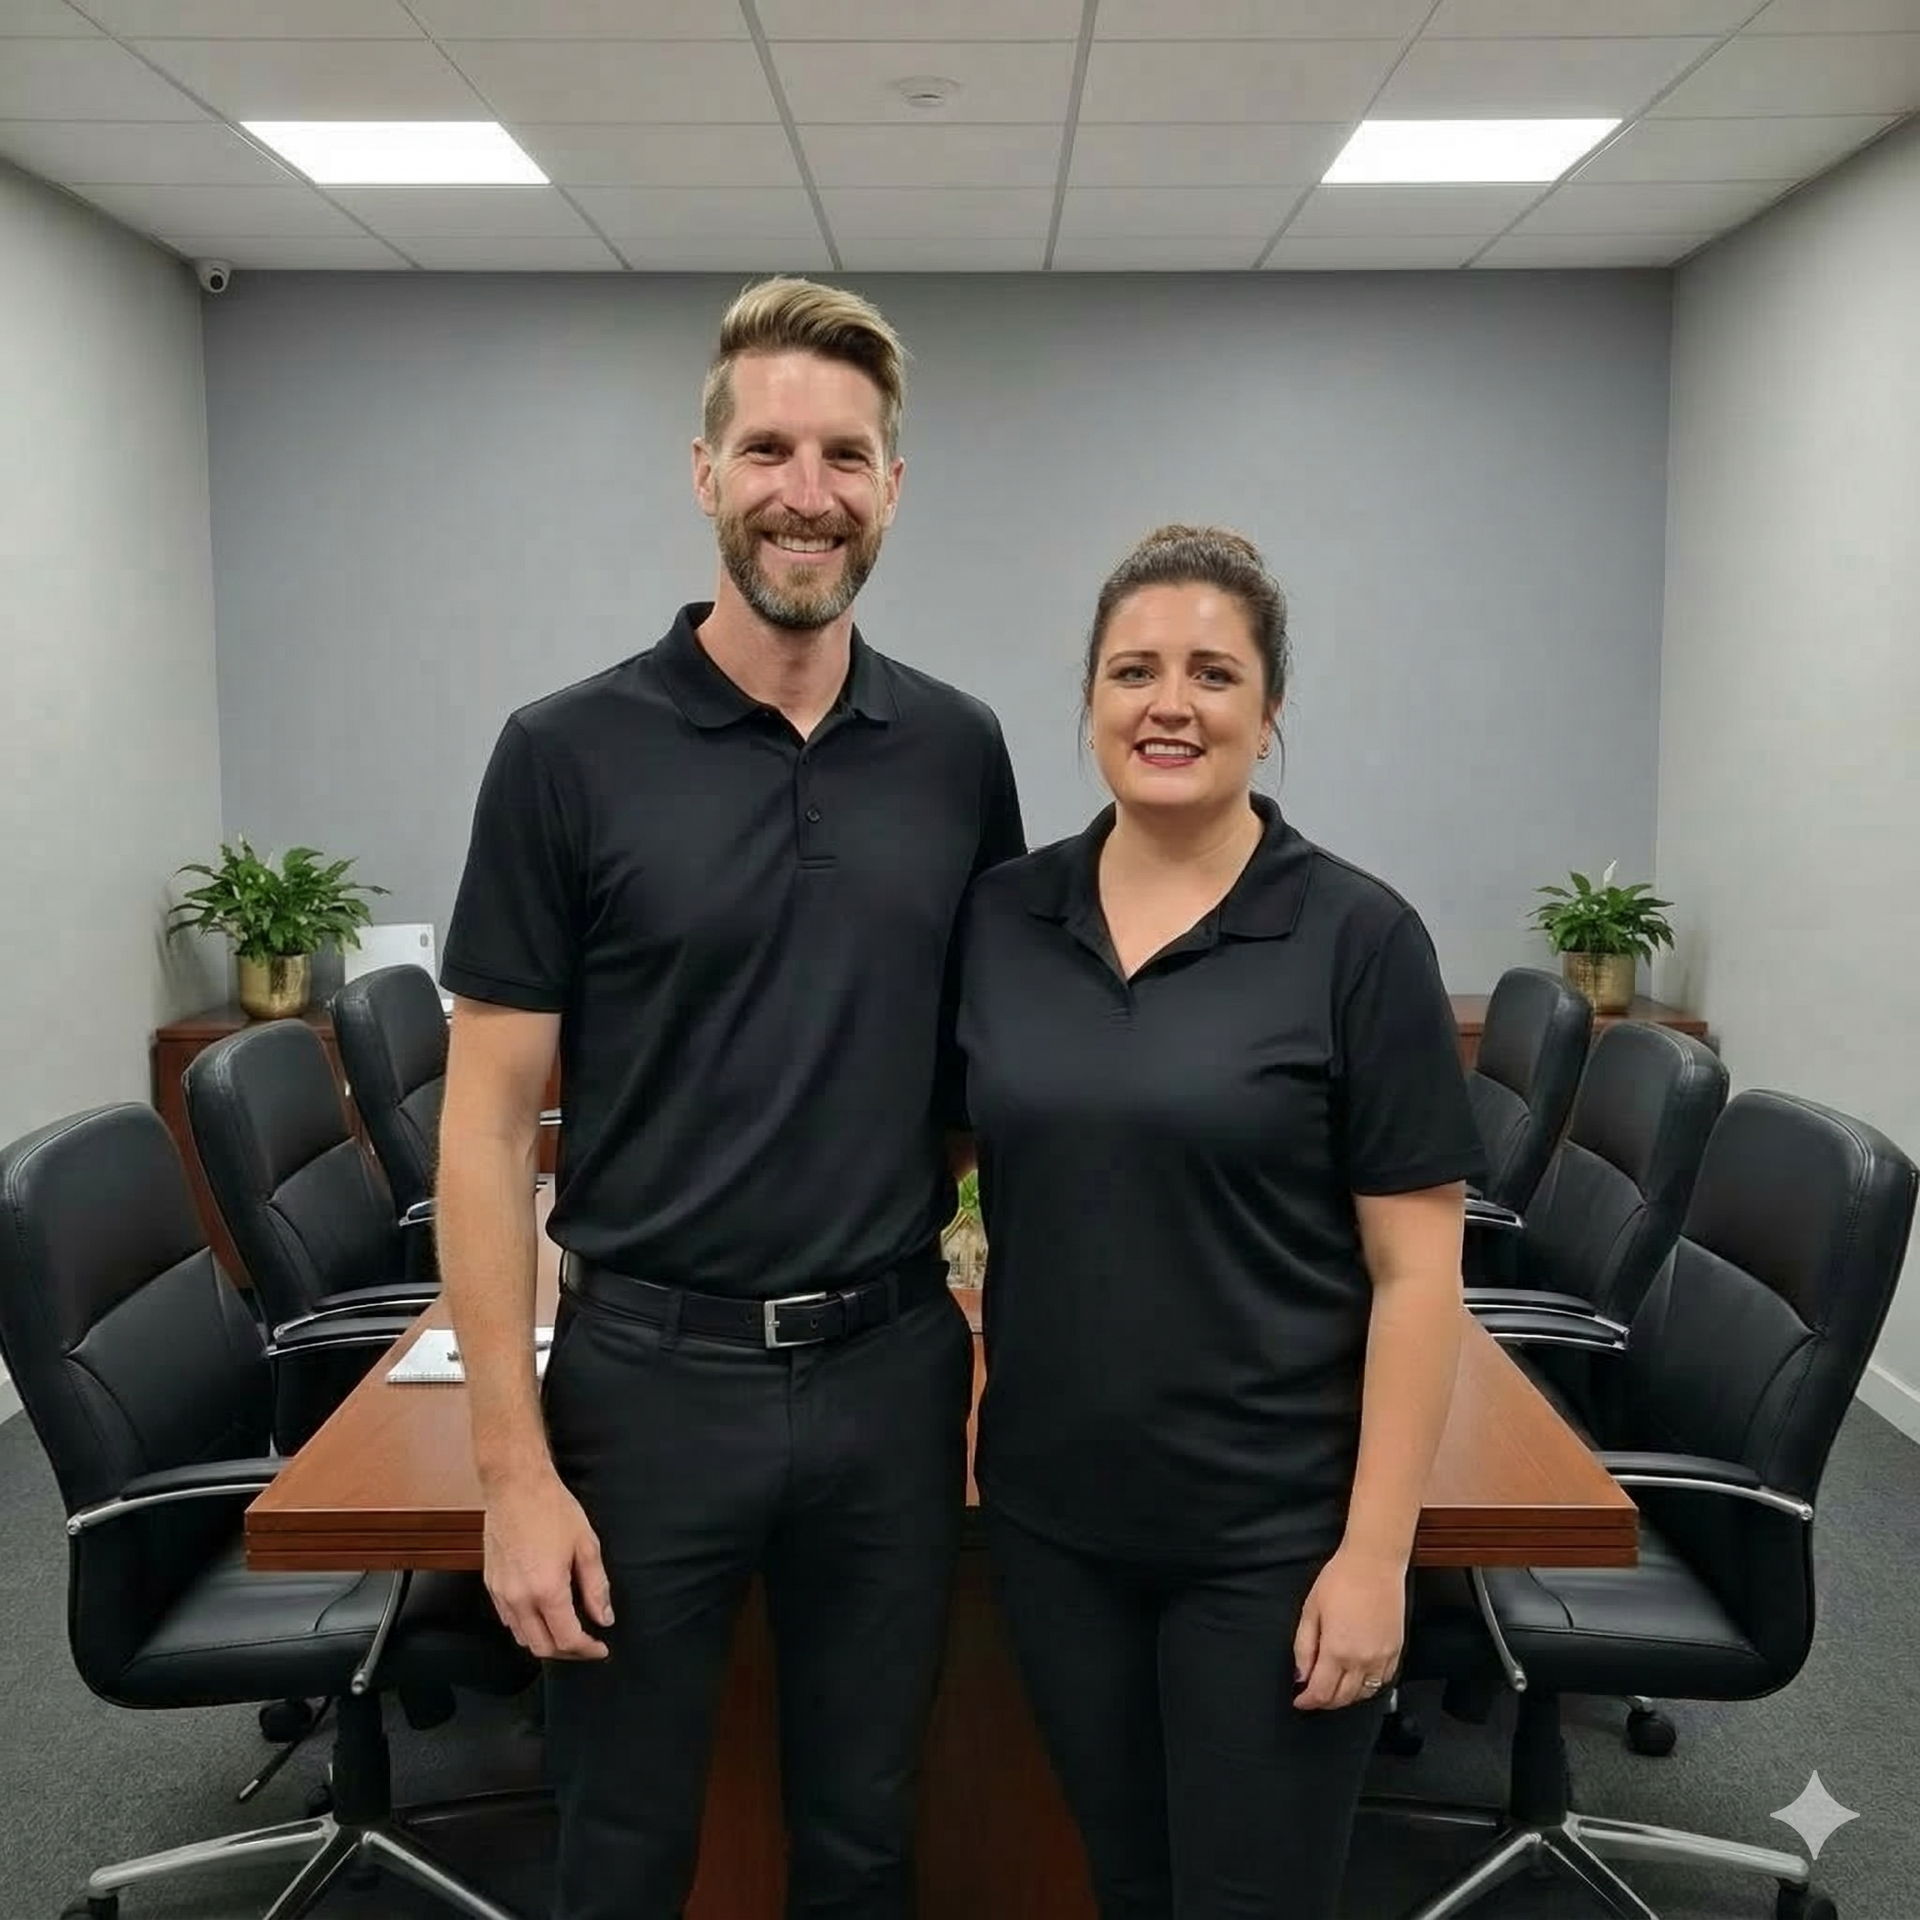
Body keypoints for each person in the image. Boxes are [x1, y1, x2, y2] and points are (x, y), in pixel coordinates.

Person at [435, 277, 1025, 1920]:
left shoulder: (958, 753)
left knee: (864, 1835)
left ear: (892, 488)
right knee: (619, 1843)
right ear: (703, 472)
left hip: (894, 1373)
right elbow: (484, 1133)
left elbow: (990, 1086)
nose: (806, 489)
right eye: (767, 445)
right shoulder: (563, 753)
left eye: (846, 454)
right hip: (645, 1387)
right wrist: (511, 1472)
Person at [955, 525, 1483, 1920]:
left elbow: (1419, 1271)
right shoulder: (1006, 916)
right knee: (1126, 1882)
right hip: (1053, 1518)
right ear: (1089, 702)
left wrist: (1376, 1556)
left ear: (1270, 711)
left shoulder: (1356, 939)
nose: (1168, 703)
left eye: (1212, 672)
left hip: (1272, 1534)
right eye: (1133, 669)